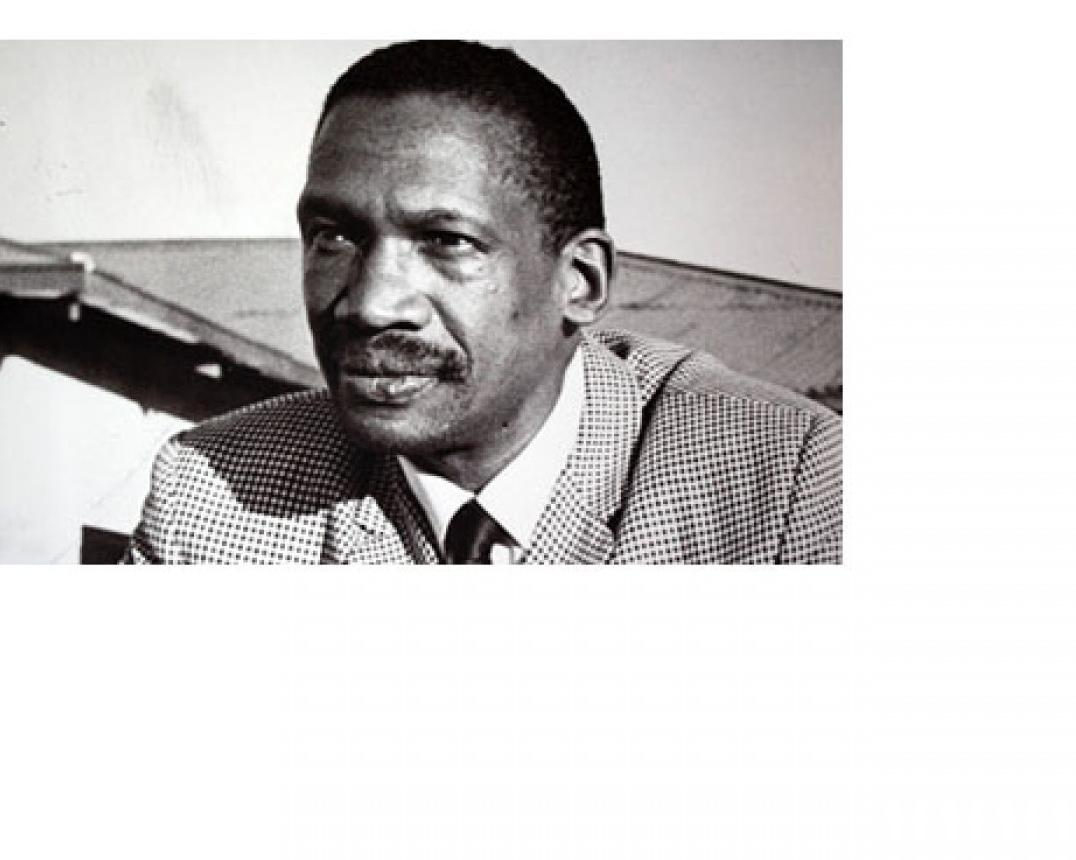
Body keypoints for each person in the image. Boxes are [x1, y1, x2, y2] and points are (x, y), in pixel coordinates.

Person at [126, 40, 841, 564]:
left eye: (446, 241)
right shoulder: (211, 497)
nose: (371, 304)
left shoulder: (788, 485)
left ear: (580, 281)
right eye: (333, 236)